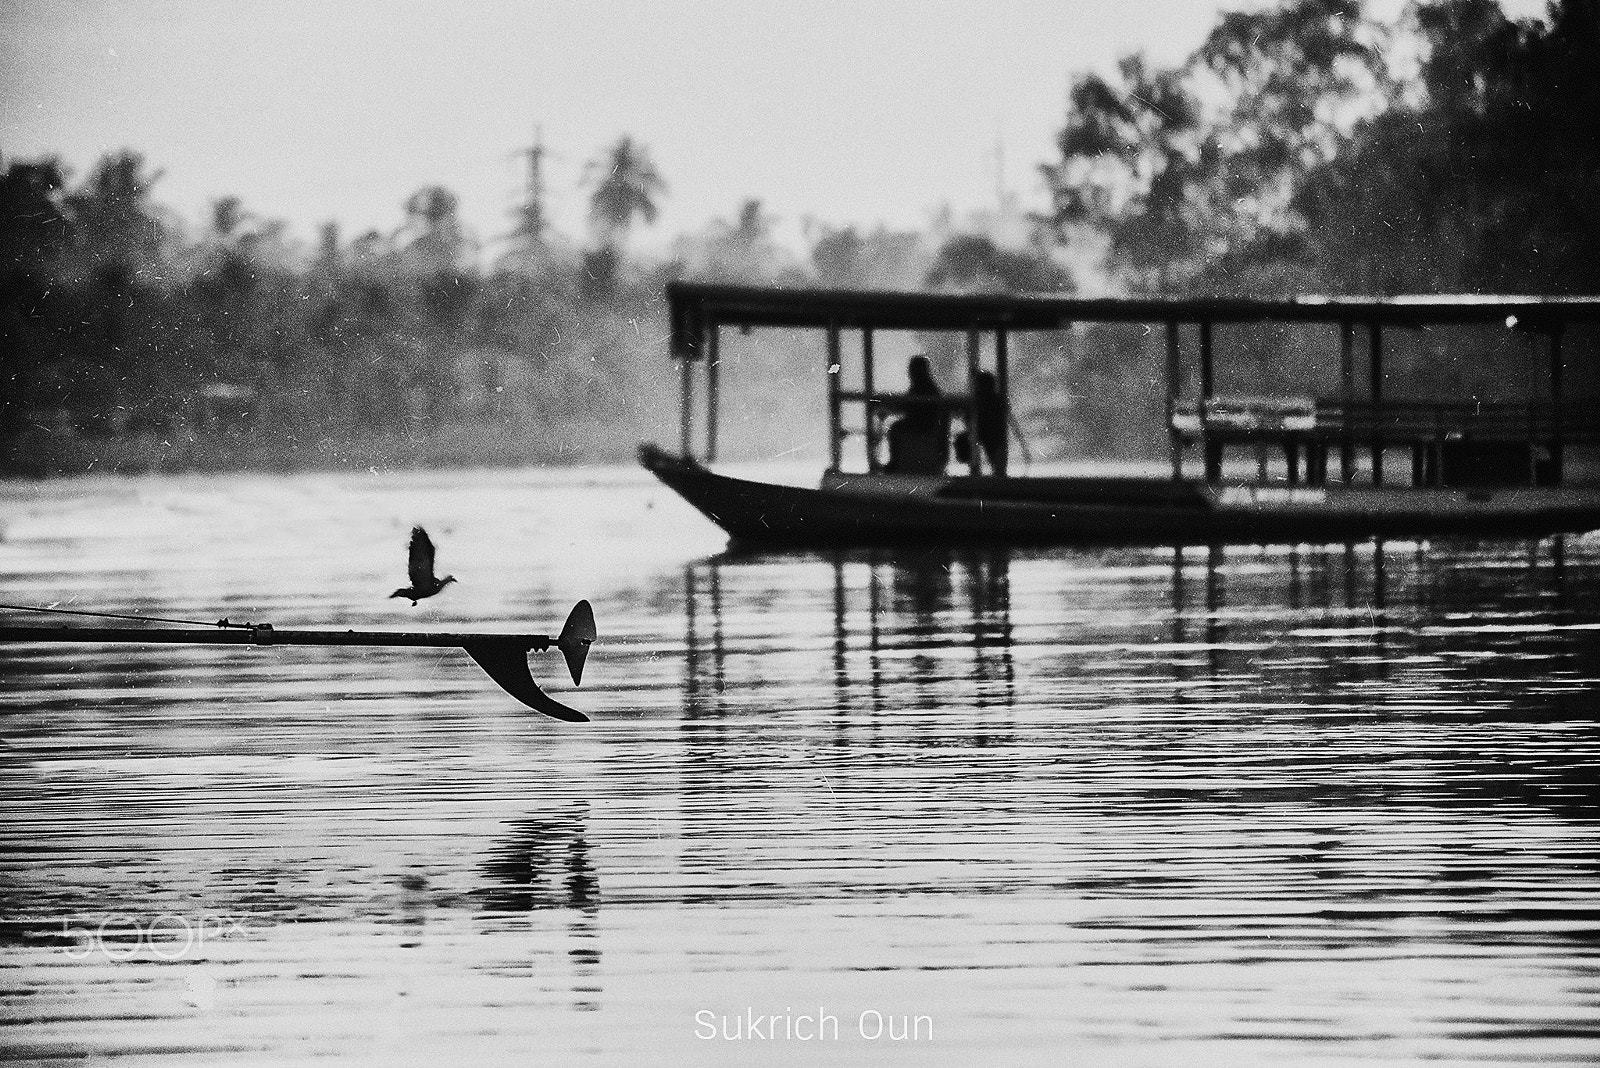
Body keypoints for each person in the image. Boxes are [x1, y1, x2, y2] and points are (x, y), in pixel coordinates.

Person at [886, 355, 948, 474]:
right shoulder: (929, 386)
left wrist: (892, 406)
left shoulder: (920, 387)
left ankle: (894, 462)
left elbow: (908, 407)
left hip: (921, 425)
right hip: (926, 425)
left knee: (895, 429)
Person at [973, 371, 1008, 476]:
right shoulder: (996, 399)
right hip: (995, 433)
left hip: (989, 433)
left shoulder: (983, 400)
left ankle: (996, 474)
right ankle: (998, 474)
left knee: (993, 455)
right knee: (995, 457)